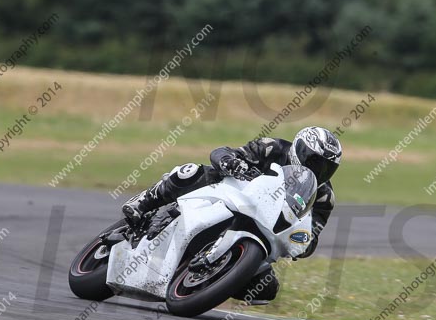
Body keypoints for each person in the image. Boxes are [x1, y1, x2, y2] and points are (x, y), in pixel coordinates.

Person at [122, 126, 342, 304]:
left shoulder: (324, 197)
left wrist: (303, 243)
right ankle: (143, 202)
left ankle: (212, 281)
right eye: (314, 162)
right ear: (299, 150)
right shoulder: (272, 148)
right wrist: (231, 161)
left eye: (327, 167)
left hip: (268, 232)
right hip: (232, 194)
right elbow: (223, 152)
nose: (319, 170)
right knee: (192, 172)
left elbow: (312, 233)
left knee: (266, 289)